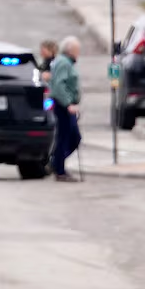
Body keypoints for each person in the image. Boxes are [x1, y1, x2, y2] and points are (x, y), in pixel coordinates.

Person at [49, 36, 83, 182]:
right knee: (69, 136)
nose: (78, 53)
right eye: (77, 50)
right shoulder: (63, 63)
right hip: (63, 106)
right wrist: (68, 103)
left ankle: (57, 164)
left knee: (70, 136)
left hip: (67, 106)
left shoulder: (65, 62)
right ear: (71, 50)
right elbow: (59, 85)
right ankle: (58, 167)